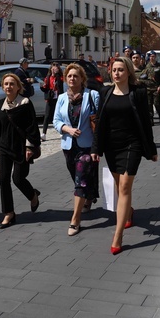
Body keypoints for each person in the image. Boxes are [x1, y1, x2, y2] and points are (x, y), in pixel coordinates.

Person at [91, 57, 157, 255]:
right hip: (112, 145)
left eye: (121, 70)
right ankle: (128, 212)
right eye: (114, 70)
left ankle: (117, 235)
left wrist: (151, 149)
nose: (117, 73)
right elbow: (101, 121)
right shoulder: (106, 92)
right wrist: (96, 148)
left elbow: (146, 121)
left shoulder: (138, 93)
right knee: (120, 187)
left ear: (128, 72)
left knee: (126, 186)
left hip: (132, 144)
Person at [0, 73, 42, 228]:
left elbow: (32, 127)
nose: (8, 87)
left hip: (21, 148)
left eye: (12, 84)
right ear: (2, 86)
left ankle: (33, 196)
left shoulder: (25, 103)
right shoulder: (0, 104)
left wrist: (29, 147)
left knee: (18, 179)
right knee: (3, 180)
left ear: (18, 87)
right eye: (6, 84)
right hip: (4, 147)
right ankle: (9, 213)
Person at [53, 64, 101, 236]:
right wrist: (68, 129)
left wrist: (99, 146)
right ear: (66, 79)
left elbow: (98, 121)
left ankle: (75, 219)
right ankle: (89, 196)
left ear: (82, 79)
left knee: (80, 180)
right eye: (69, 76)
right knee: (77, 177)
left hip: (87, 145)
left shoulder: (92, 96)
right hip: (68, 145)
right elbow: (56, 120)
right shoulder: (62, 98)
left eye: (76, 76)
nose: (72, 79)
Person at [40, 62, 64, 141]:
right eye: (53, 68)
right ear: (51, 69)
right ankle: (43, 133)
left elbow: (60, 84)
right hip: (50, 98)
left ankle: (61, 131)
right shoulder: (48, 77)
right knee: (47, 116)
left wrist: (57, 75)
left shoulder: (59, 77)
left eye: (56, 67)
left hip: (58, 98)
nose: (54, 69)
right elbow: (45, 89)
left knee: (58, 115)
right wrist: (42, 86)